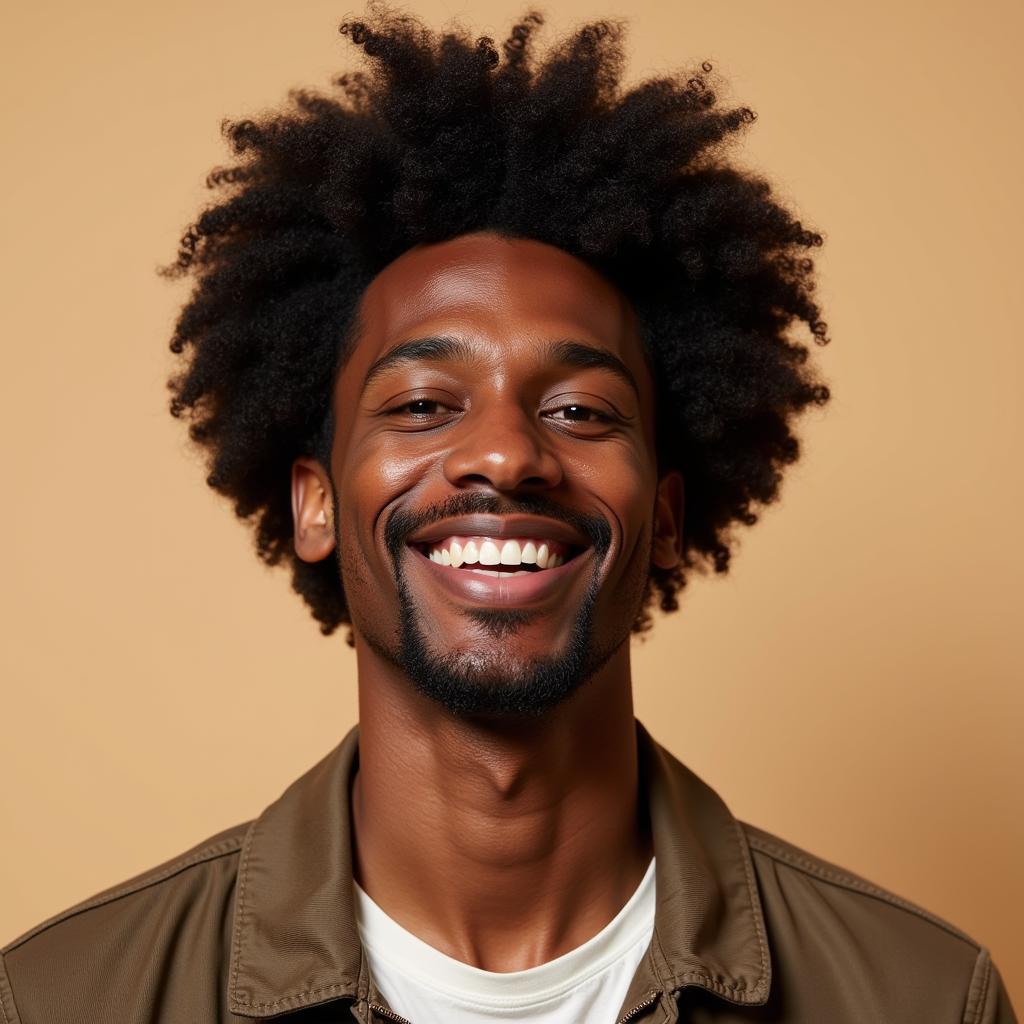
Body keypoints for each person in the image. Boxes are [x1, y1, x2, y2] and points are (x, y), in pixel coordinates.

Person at [1, 8, 1016, 1023]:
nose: (503, 454)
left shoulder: (923, 996)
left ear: (664, 517)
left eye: (578, 410)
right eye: (422, 405)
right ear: (313, 502)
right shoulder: (61, 1000)